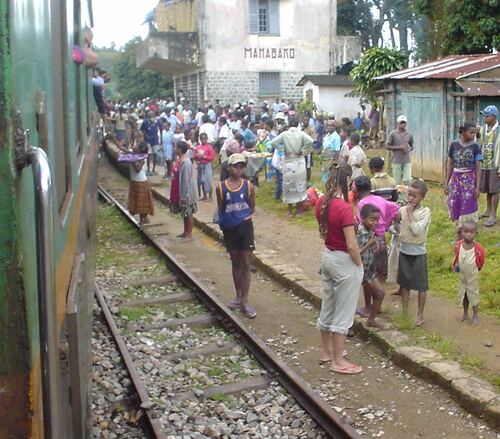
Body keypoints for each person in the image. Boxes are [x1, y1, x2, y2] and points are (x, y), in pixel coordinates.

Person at [315, 163, 363, 375]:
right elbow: (352, 244)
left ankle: (326, 352)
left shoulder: (320, 203)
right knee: (343, 312)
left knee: (328, 305)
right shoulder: (344, 208)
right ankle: (338, 360)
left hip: (327, 256)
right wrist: (359, 263)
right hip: (344, 260)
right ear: (347, 181)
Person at [216, 154, 257, 319]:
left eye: (241, 166)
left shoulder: (248, 186)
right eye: (235, 166)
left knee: (247, 262)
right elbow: (221, 207)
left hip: (245, 227)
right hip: (230, 228)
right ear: (228, 168)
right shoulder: (221, 187)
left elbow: (252, 206)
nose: (238, 169)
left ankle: (245, 301)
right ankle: (238, 295)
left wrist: (243, 217)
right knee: (235, 261)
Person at [396, 179, 431, 326]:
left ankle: (420, 314)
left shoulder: (425, 212)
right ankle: (404, 313)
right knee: (404, 284)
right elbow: (396, 224)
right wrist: (397, 231)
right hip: (404, 250)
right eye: (409, 195)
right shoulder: (402, 210)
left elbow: (417, 230)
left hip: (418, 252)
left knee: (421, 285)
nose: (410, 198)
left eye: (414, 196)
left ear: (422, 197)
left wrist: (410, 215)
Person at [271, 116, 314, 216]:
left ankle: (290, 211)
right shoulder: (301, 134)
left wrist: (282, 150)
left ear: (289, 124)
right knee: (300, 185)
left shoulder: (285, 134)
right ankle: (299, 211)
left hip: (289, 161)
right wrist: (304, 151)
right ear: (298, 124)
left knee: (288, 186)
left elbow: (273, 142)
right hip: (299, 162)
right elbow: (311, 141)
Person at [444, 122, 482, 233]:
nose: (473, 135)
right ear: (463, 132)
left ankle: (469, 231)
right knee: (455, 202)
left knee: (469, 203)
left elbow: (478, 167)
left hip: (469, 180)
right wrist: (446, 183)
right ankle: (459, 230)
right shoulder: (454, 145)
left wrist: (477, 187)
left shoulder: (475, 146)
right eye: (471, 132)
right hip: (455, 180)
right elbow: (450, 164)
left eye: (474, 133)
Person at [357, 204, 386, 328]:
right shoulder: (359, 232)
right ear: (362, 218)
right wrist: (369, 244)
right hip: (358, 270)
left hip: (368, 269)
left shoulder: (369, 230)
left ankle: (371, 319)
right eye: (372, 219)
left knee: (380, 293)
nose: (375, 222)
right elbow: (355, 252)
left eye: (377, 219)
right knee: (348, 298)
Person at [452, 221, 486, 326]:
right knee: (464, 294)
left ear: (475, 233)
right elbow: (456, 255)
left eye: (471, 232)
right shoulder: (459, 245)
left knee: (473, 294)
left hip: (472, 276)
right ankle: (465, 313)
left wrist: (478, 268)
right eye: (466, 232)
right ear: (462, 232)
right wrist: (455, 265)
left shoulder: (478, 248)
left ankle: (475, 316)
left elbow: (481, 259)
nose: (468, 234)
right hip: (462, 275)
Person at [477, 105, 500, 227]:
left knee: (495, 189)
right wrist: (478, 135)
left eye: (487, 116)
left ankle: (493, 215)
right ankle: (488, 210)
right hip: (484, 164)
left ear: (494, 117)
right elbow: (479, 143)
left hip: (495, 164)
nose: (485, 118)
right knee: (486, 188)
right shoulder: (483, 129)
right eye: (484, 115)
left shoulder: (499, 130)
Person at [170, 141, 197, 241]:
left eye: (175, 147)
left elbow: (185, 180)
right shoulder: (179, 160)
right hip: (179, 190)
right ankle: (185, 232)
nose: (174, 149)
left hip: (186, 192)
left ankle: (189, 234)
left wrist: (184, 196)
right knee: (184, 212)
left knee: (188, 212)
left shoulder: (185, 162)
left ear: (180, 149)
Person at [127, 141, 154, 227]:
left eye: (137, 145)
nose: (135, 145)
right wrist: (114, 139)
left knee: (142, 203)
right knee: (138, 202)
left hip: (141, 182)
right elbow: (122, 149)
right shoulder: (134, 154)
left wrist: (132, 161)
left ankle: (142, 221)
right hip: (135, 182)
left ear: (139, 150)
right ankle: (143, 220)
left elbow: (138, 169)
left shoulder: (142, 158)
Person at [386, 115, 414, 186]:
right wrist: (400, 147)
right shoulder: (393, 133)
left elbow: (412, 145)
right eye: (401, 123)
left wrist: (409, 149)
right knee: (396, 181)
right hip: (396, 160)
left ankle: (406, 195)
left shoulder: (409, 134)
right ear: (398, 123)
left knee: (407, 180)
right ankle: (397, 196)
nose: (402, 124)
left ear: (406, 123)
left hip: (406, 160)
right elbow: (387, 146)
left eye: (404, 123)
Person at [194, 133, 216, 201]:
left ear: (207, 139)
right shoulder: (198, 147)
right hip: (201, 165)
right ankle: (204, 196)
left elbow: (212, 157)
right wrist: (197, 156)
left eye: (205, 139)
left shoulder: (209, 147)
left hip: (208, 165)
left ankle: (210, 196)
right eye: (202, 139)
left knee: (208, 181)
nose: (204, 140)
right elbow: (194, 155)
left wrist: (204, 156)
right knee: (202, 181)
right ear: (200, 139)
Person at [140, 111, 162, 175]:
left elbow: (161, 130)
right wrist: (146, 135)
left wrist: (161, 140)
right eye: (150, 116)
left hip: (156, 141)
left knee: (155, 155)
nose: (151, 117)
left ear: (154, 116)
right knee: (149, 155)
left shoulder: (158, 122)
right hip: (147, 141)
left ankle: (153, 169)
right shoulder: (145, 122)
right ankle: (148, 169)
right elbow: (142, 130)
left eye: (152, 116)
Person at [301, 114, 317, 182]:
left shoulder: (311, 129)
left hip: (308, 151)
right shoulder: (301, 128)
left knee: (308, 166)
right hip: (301, 151)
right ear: (302, 120)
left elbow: (314, 140)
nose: (306, 122)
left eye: (307, 120)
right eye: (304, 120)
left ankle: (308, 180)